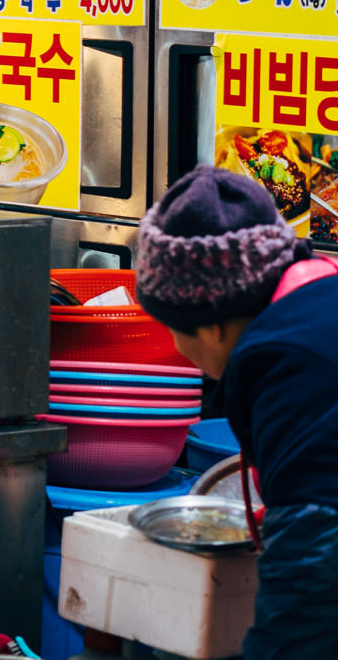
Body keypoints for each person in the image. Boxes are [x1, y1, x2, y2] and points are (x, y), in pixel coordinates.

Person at [135, 165, 338, 660]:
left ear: (210, 326)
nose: (178, 348)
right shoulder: (318, 309)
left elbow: (312, 576)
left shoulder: (292, 364)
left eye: (172, 328)